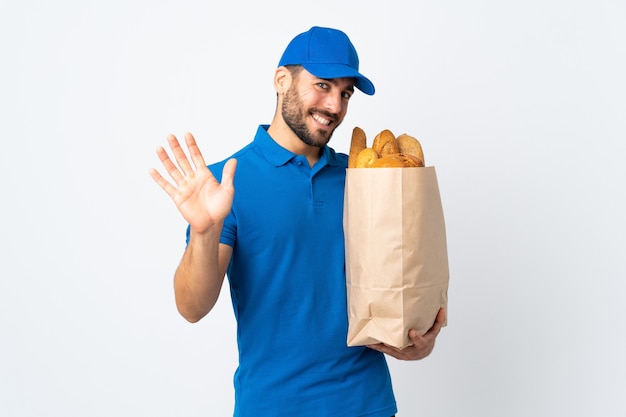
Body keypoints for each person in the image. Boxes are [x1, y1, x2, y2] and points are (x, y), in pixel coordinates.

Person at [150, 26, 445, 417]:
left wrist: (418, 341)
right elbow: (192, 307)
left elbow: (397, 285)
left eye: (345, 93)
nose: (335, 106)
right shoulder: (226, 182)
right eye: (322, 85)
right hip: (272, 406)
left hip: (367, 404)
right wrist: (204, 232)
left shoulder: (365, 178)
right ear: (281, 80)